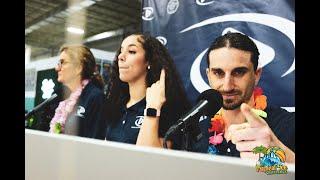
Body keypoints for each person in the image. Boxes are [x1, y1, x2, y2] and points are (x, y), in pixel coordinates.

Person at [197, 32, 295, 163]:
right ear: (209, 76)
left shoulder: (288, 126)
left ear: (257, 75)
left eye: (238, 72)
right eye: (218, 73)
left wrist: (284, 157)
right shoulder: (198, 132)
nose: (227, 86)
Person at [105, 33, 191, 149]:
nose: (121, 57)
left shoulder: (165, 106)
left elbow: (153, 159)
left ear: (148, 61)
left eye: (131, 51)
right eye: (121, 51)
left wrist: (152, 109)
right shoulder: (116, 105)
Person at [49, 44, 107, 139]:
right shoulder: (62, 98)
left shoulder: (95, 97)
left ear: (78, 68)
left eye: (62, 62)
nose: (57, 68)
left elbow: (95, 140)